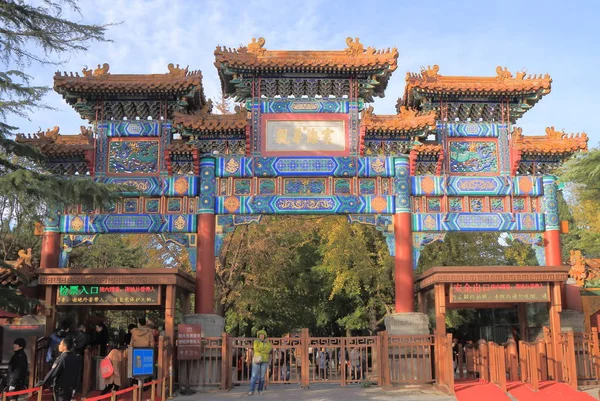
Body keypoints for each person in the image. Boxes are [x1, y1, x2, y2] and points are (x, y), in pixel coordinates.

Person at [247, 330, 271, 396]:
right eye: (260, 335)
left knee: (262, 377)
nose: (261, 336)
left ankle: (260, 390)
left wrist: (261, 350)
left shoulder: (268, 342)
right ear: (258, 336)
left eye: (262, 335)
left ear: (265, 336)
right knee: (254, 376)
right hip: (257, 360)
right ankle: (251, 390)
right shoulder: (256, 341)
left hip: (265, 360)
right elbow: (256, 349)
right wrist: (263, 347)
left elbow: (269, 349)